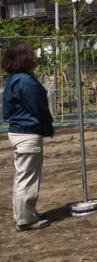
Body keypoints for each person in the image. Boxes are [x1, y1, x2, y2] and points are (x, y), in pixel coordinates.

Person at [2, 42, 54, 231]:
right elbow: (38, 108)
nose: (35, 57)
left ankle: (26, 213)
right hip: (27, 132)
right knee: (26, 177)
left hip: (20, 131)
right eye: (32, 54)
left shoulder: (15, 79)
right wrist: (48, 127)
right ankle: (25, 219)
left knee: (25, 175)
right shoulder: (24, 81)